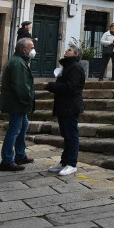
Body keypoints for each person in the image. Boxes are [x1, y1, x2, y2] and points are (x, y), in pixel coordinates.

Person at [43, 42, 85, 176]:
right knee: (66, 135)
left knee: (71, 135)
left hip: (71, 106)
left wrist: (50, 85)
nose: (66, 51)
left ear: (76, 54)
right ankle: (64, 162)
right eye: (67, 49)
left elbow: (70, 87)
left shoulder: (75, 67)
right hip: (64, 105)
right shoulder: (68, 66)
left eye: (70, 50)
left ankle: (72, 164)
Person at [0, 37, 36, 172]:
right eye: (31, 48)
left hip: (17, 103)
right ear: (24, 50)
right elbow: (20, 86)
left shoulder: (19, 61)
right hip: (17, 103)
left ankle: (20, 155)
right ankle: (7, 160)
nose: (33, 51)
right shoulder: (18, 63)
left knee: (23, 125)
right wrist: (27, 101)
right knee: (14, 130)